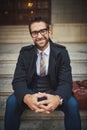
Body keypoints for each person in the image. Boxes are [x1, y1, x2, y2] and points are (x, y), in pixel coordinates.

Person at [4, 16, 81, 130]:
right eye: (35, 33)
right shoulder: (25, 53)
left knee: (73, 104)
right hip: (32, 92)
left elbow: (66, 81)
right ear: (31, 35)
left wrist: (57, 98)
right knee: (11, 102)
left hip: (54, 91)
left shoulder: (61, 52)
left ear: (49, 31)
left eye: (42, 31)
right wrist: (27, 98)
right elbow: (18, 80)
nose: (39, 36)